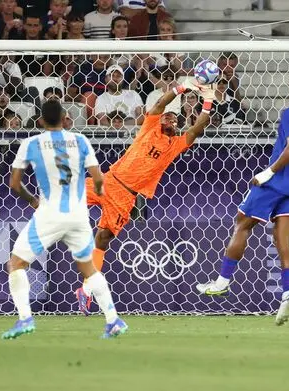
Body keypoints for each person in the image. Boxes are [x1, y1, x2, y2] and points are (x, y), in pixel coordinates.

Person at [196, 70, 289, 326]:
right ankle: (288, 293)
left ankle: (222, 282)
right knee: (282, 238)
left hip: (275, 183)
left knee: (242, 223)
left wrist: (269, 173)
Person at [75, 80, 214, 314]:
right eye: (167, 117)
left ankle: (86, 290)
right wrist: (182, 87)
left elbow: (197, 128)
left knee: (103, 239)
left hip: (126, 197)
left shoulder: (175, 146)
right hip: (108, 181)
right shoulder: (149, 128)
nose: (171, 119)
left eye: (175, 119)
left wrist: (208, 100)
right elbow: (160, 103)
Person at [3, 99, 127, 339]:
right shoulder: (80, 140)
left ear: (40, 121)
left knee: (16, 264)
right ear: (65, 119)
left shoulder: (31, 143)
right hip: (79, 214)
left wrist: (32, 201)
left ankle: (25, 318)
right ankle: (113, 320)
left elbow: (14, 184)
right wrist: (100, 192)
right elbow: (98, 178)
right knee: (90, 270)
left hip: (49, 213)